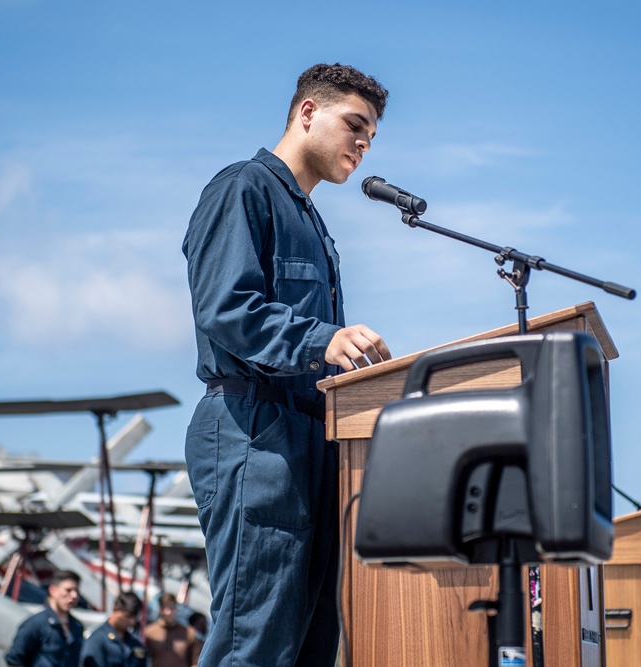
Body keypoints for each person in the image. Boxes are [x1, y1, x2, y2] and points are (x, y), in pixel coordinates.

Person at [181, 62, 392, 666]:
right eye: (355, 124)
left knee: (308, 647)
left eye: (372, 136)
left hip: (313, 443)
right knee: (254, 644)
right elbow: (226, 309)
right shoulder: (243, 188)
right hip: (255, 435)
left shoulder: (314, 224)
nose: (363, 143)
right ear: (307, 113)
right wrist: (322, 340)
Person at [4, 570, 84, 667]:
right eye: (68, 590)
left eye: (77, 592)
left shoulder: (77, 627)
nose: (74, 596)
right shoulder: (35, 624)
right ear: (53, 590)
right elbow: (14, 660)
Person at [80, 591, 146, 667]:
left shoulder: (135, 643)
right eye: (128, 616)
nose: (132, 622)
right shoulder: (97, 640)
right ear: (115, 608)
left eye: (135, 618)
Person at [142, 593, 199, 667]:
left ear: (176, 608)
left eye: (172, 608)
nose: (168, 612)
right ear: (160, 610)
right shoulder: (149, 633)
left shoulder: (189, 633)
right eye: (165, 608)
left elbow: (196, 662)